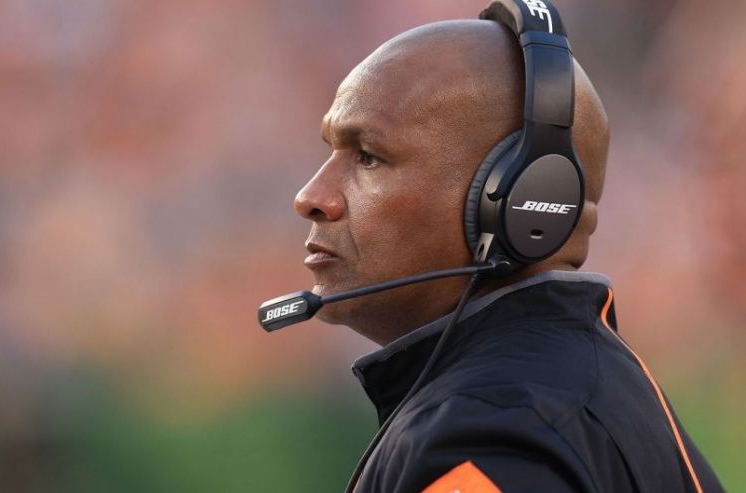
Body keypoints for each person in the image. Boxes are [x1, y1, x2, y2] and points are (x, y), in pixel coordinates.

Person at [291, 6, 724, 493]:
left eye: (369, 156)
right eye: (331, 151)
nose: (311, 197)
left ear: (520, 199)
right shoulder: (583, 388)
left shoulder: (487, 431)